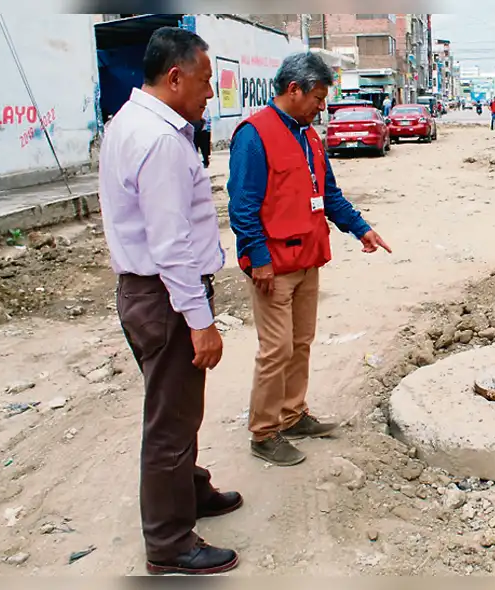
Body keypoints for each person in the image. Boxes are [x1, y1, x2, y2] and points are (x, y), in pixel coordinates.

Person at [98, 26, 240, 576]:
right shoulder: (157, 140)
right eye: (205, 82)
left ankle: (192, 490)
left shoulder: (132, 123)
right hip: (164, 296)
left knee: (180, 407)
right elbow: (171, 245)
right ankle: (169, 543)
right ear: (175, 76)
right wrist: (200, 322)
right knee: (170, 419)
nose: (210, 93)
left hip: (148, 294)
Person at [227, 52, 392, 467]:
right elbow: (243, 206)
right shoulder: (254, 135)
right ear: (294, 89)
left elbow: (329, 195)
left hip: (307, 259)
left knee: (300, 343)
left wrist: (361, 229)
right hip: (273, 266)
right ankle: (264, 432)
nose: (323, 107)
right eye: (318, 97)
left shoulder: (309, 136)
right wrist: (258, 258)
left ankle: (293, 414)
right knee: (276, 350)